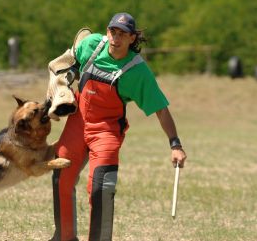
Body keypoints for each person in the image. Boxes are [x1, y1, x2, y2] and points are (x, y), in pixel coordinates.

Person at [49, 12, 187, 241]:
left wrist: (175, 144)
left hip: (106, 131)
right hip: (77, 122)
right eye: (113, 31)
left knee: (101, 187)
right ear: (107, 31)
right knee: (60, 175)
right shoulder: (91, 45)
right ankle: (64, 237)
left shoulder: (138, 71)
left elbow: (161, 109)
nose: (116, 38)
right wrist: (62, 82)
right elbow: (69, 62)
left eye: (123, 34)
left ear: (132, 38)